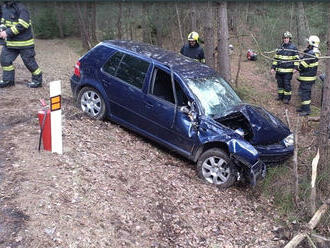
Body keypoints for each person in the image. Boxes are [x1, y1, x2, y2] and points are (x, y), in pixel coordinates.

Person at [0, 0, 42, 88]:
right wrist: (2, 29)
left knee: (29, 63)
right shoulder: (4, 8)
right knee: (5, 60)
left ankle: (37, 81)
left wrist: (7, 32)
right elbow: (3, 21)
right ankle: (8, 80)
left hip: (25, 43)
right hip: (10, 43)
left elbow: (24, 24)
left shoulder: (21, 7)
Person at [271, 31, 299, 104]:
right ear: (283, 39)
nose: (286, 39)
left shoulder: (293, 48)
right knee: (280, 84)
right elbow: (275, 59)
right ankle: (280, 97)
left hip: (288, 71)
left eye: (287, 38)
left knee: (286, 85)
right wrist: (273, 67)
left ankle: (287, 99)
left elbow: (296, 59)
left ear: (290, 39)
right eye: (284, 38)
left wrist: (295, 68)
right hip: (279, 70)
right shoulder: (280, 47)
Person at [296, 35, 320, 116]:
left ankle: (306, 110)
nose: (307, 44)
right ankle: (304, 107)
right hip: (309, 78)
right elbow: (306, 60)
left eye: (308, 42)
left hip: (307, 78)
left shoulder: (311, 53)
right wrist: (299, 58)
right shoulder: (314, 52)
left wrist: (297, 67)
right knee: (304, 93)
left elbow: (303, 65)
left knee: (304, 93)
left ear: (311, 43)